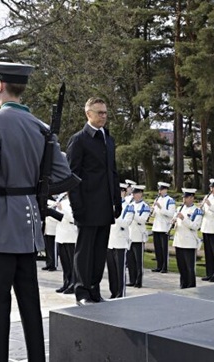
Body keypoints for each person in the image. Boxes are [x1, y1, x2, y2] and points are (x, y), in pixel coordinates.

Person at [0, 61, 77, 362]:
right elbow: (63, 174)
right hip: (29, 226)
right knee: (29, 302)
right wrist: (34, 188)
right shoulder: (40, 127)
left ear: (0, 85)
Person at [66, 97, 121, 306]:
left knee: (99, 252)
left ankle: (94, 289)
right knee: (85, 251)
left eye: (105, 112)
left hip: (105, 205)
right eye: (99, 112)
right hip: (87, 205)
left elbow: (112, 172)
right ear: (88, 114)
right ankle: (81, 292)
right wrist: (77, 206)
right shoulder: (79, 140)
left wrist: (117, 200)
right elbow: (72, 176)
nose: (104, 116)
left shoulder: (108, 139)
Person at [107, 183, 135, 298]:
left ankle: (120, 294)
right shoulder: (109, 205)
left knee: (120, 270)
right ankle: (113, 292)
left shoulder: (129, 206)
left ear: (124, 192)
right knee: (112, 271)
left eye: (120, 192)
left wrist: (115, 216)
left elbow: (126, 223)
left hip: (121, 242)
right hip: (110, 242)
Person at [172, 188, 203, 289]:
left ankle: (191, 286)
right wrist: (173, 223)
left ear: (192, 198)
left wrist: (183, 219)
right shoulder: (179, 209)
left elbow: (195, 226)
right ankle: (183, 285)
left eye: (186, 197)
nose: (184, 200)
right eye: (183, 197)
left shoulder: (196, 211)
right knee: (181, 266)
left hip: (189, 242)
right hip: (179, 241)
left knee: (189, 267)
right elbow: (176, 223)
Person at [126, 185, 149, 288]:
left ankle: (138, 281)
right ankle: (132, 279)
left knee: (138, 261)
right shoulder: (130, 204)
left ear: (140, 194)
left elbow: (143, 220)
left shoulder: (145, 206)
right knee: (130, 260)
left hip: (139, 236)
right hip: (130, 236)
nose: (134, 195)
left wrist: (133, 214)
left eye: (136, 193)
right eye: (133, 193)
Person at [54, 192, 77, 294]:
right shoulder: (61, 202)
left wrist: (61, 210)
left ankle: (73, 285)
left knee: (72, 263)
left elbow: (73, 219)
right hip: (61, 236)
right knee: (65, 263)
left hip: (71, 236)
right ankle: (66, 283)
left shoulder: (74, 202)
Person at [150, 182, 176, 273]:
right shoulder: (157, 199)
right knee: (157, 248)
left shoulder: (170, 200)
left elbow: (171, 214)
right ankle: (159, 265)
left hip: (164, 227)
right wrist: (152, 210)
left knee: (164, 248)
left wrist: (160, 207)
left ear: (165, 190)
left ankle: (165, 267)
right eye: (159, 190)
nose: (159, 191)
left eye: (161, 189)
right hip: (156, 226)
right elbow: (154, 214)